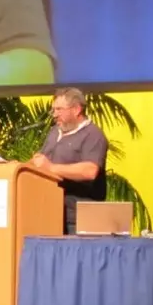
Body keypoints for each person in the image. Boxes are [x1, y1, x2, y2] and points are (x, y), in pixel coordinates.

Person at [30, 87, 109, 234]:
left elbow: (90, 171)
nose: (54, 115)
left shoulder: (93, 135)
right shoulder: (54, 132)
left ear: (76, 109)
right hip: (51, 214)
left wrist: (51, 167)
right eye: (54, 110)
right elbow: (43, 161)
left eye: (59, 109)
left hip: (79, 219)